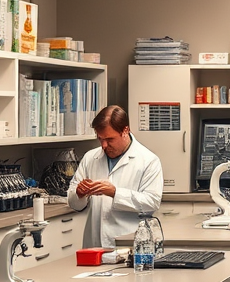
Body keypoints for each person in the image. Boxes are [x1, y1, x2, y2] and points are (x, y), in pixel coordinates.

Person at [67, 105, 164, 249]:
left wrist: (115, 193)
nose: (104, 145)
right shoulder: (90, 158)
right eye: (100, 139)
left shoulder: (148, 160)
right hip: (94, 246)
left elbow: (152, 202)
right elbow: (73, 203)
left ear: (125, 131)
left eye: (109, 139)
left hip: (130, 245)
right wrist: (80, 194)